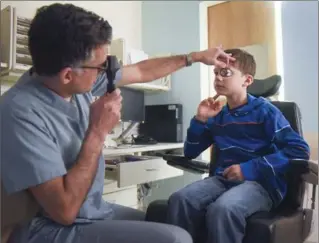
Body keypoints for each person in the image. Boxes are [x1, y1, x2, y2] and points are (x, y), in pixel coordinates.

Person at [0, 3, 235, 243]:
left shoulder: (72, 82)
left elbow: (142, 71)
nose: (105, 71)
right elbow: (65, 211)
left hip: (93, 210)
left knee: (178, 221)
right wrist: (98, 130)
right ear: (68, 74)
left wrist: (193, 57)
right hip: (46, 227)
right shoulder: (20, 112)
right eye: (100, 66)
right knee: (176, 239)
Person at [166, 49, 310, 243]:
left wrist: (248, 169)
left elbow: (299, 150)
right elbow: (190, 152)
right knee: (180, 199)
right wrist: (200, 119)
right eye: (216, 73)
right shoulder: (219, 115)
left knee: (224, 209)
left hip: (262, 184)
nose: (218, 78)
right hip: (223, 180)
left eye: (225, 73)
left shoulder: (265, 111)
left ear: (247, 80)